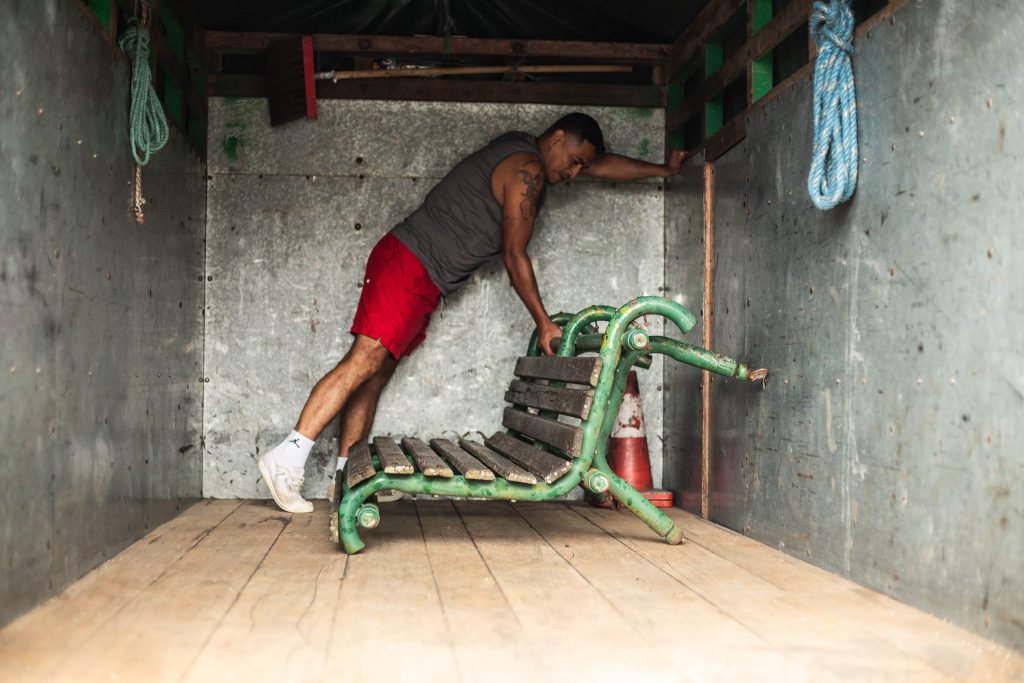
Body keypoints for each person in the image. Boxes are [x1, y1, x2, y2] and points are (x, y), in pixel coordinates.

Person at [258, 112, 686, 513]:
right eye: (574, 161)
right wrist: (543, 322)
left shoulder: (529, 151)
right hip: (410, 265)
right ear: (556, 139)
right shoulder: (528, 170)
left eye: (582, 167)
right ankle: (287, 457)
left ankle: (345, 478)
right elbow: (514, 254)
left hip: (420, 274)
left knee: (375, 374)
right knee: (364, 361)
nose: (575, 173)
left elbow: (601, 165)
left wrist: (663, 171)